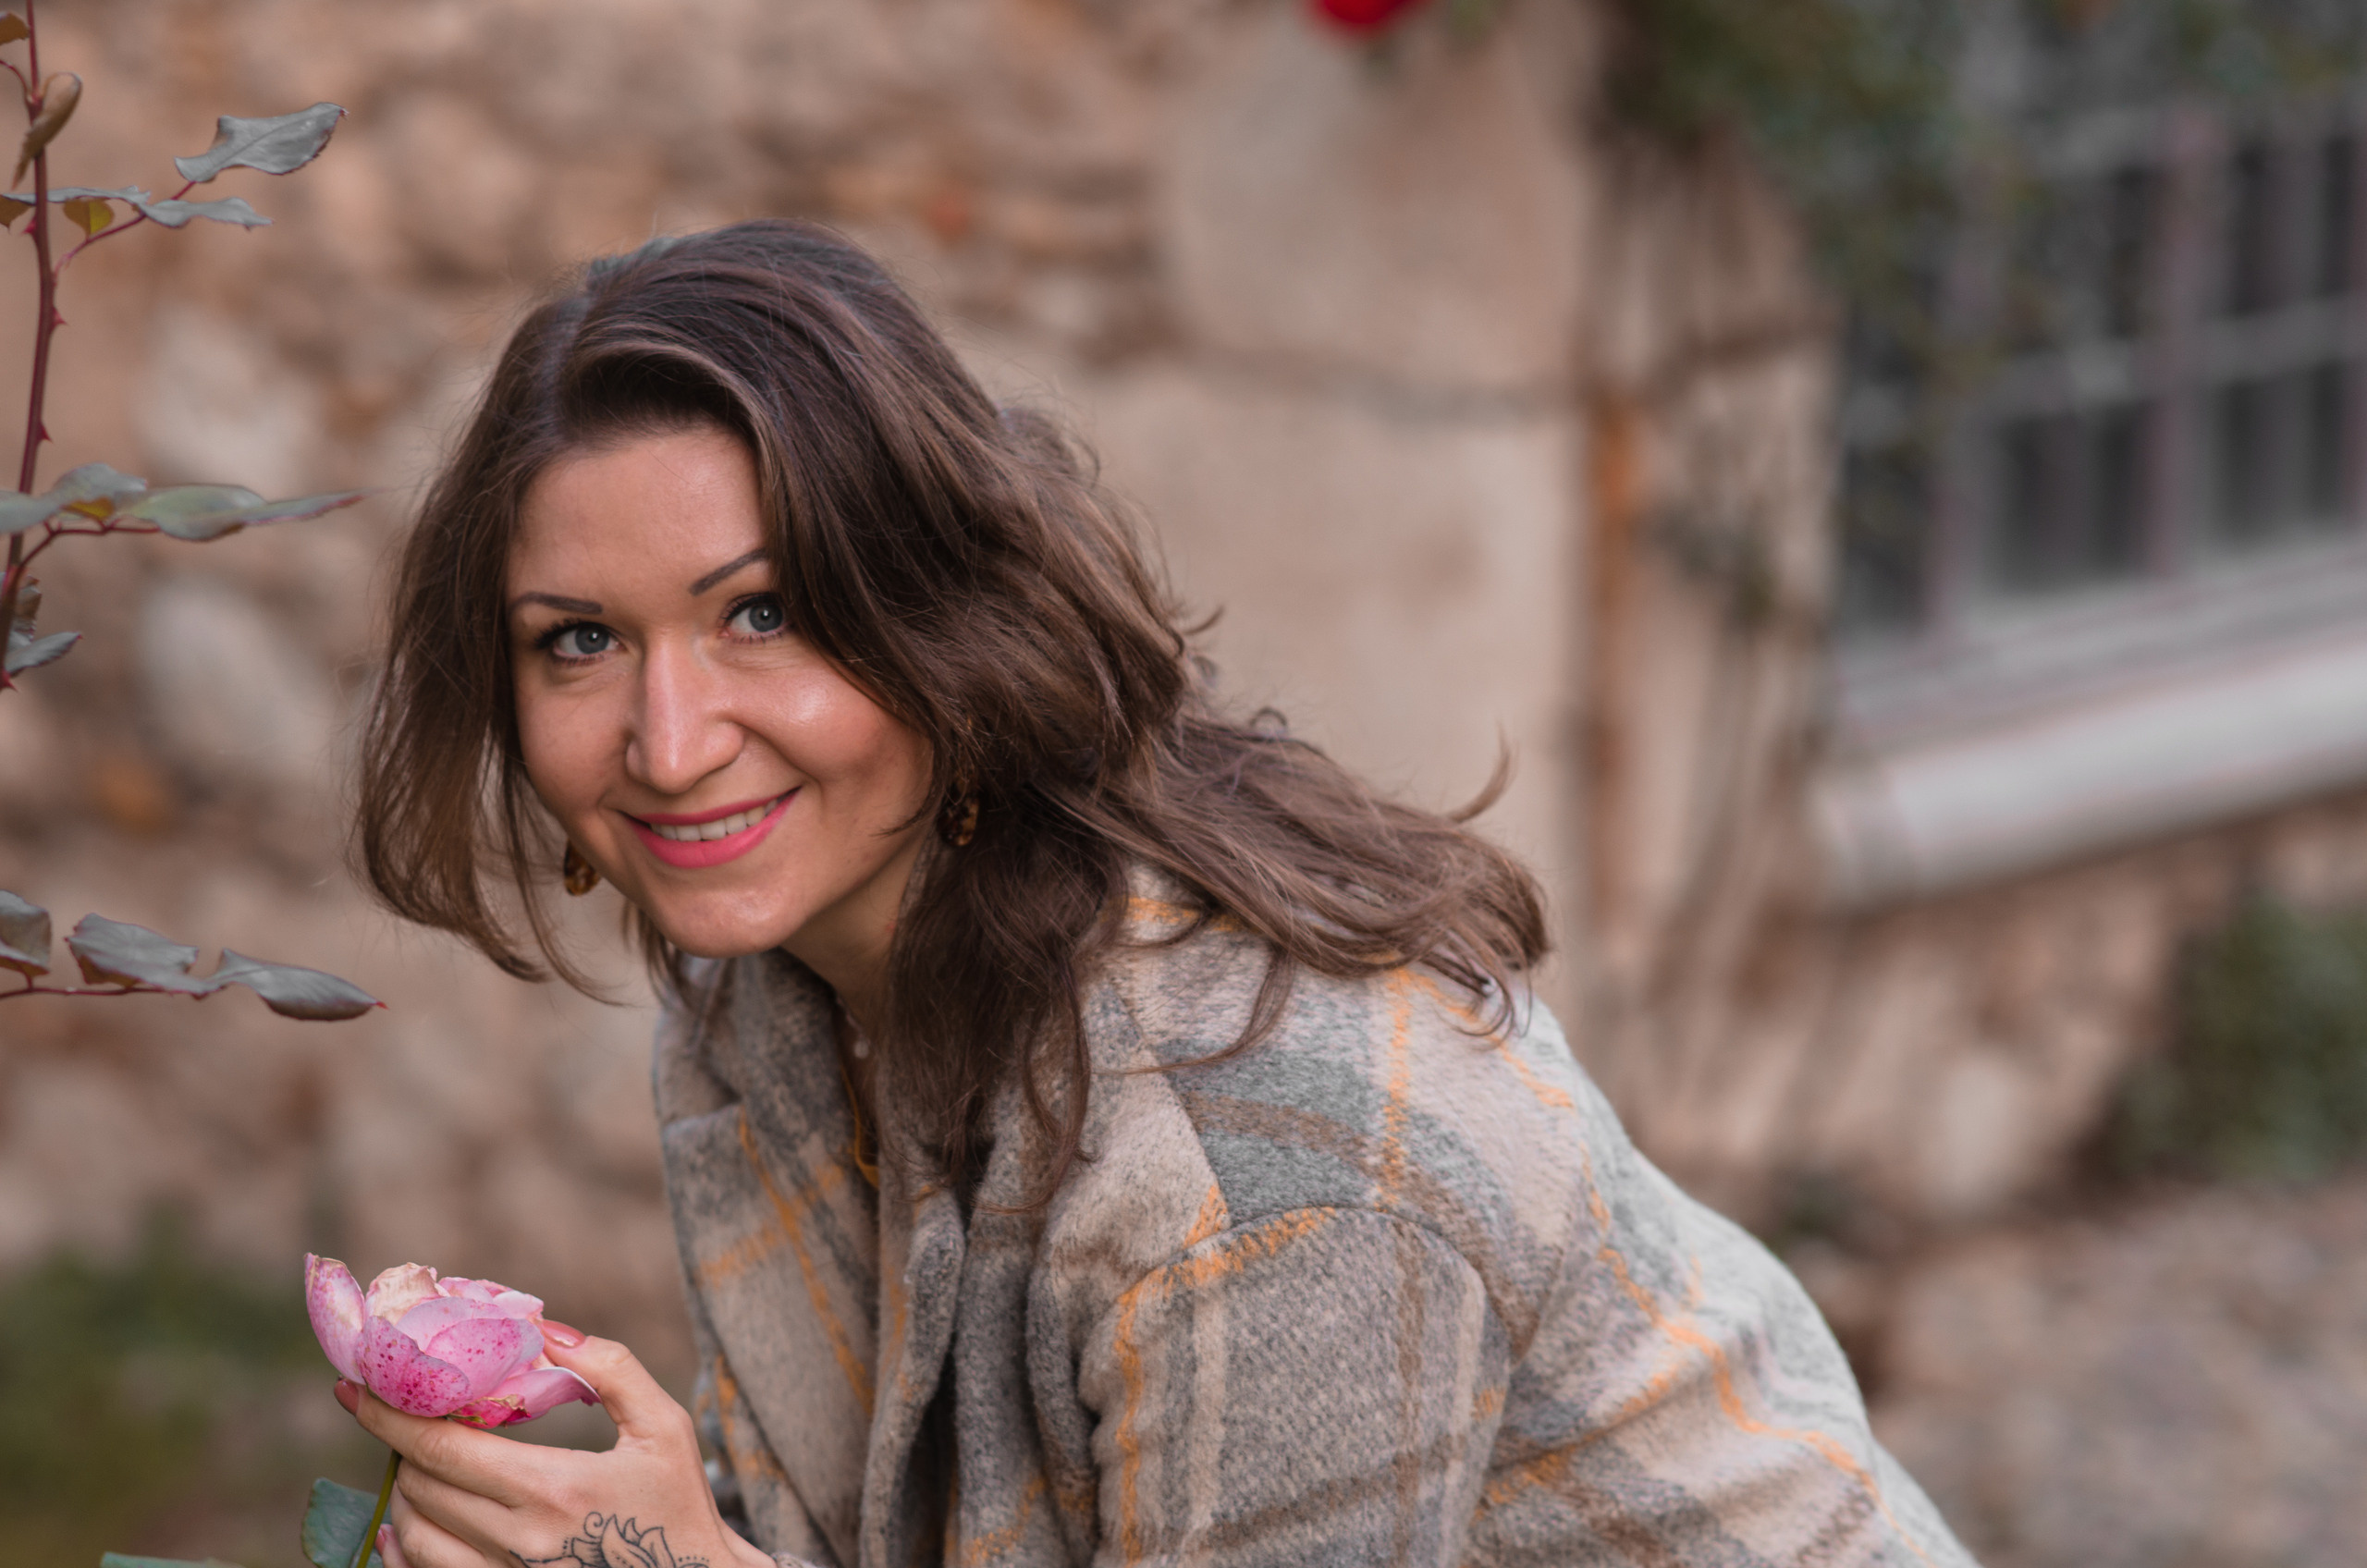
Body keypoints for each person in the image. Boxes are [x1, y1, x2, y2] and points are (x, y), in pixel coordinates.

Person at [349, 220, 1975, 1568]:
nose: (670, 741)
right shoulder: (759, 997)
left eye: (763, 613)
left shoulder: (1265, 1171)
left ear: (938, 617)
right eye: (581, 639)